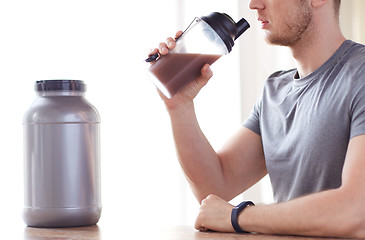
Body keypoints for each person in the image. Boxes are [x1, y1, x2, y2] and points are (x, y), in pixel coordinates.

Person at [149, 0, 365, 238]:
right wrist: (179, 106)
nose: (254, 4)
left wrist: (237, 216)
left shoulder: (360, 74)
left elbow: (356, 213)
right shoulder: (275, 91)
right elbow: (213, 188)